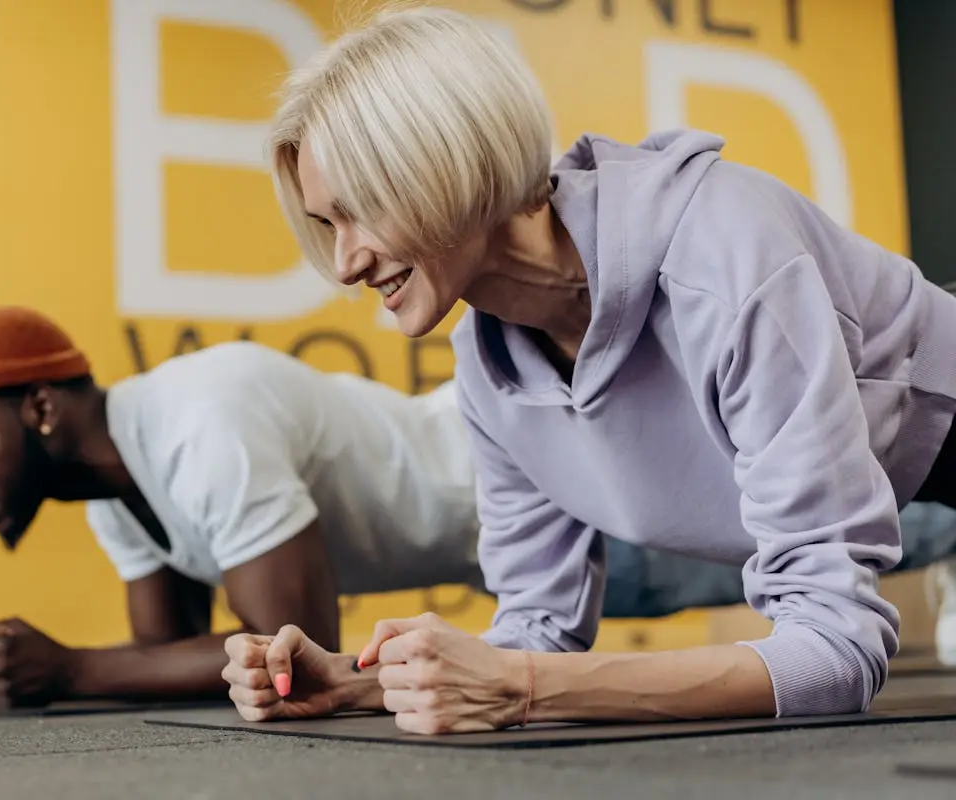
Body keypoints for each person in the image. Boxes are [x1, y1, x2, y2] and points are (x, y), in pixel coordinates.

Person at [220, 5, 956, 734]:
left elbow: (836, 652)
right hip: (898, 467)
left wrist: (522, 687)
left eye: (361, 211)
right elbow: (535, 632)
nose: (346, 262)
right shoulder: (489, 372)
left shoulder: (722, 255)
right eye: (327, 224)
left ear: (446, 158)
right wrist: (361, 684)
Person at [0, 307, 956, 709]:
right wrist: (18, 668)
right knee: (850, 527)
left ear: (42, 406)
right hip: (505, 553)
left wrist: (69, 668)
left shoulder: (199, 416)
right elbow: (184, 661)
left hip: (564, 503)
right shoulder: (111, 490)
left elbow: (289, 647)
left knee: (884, 516)